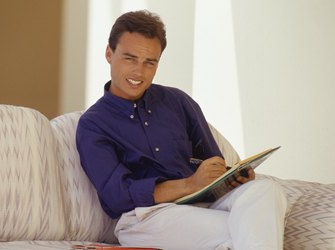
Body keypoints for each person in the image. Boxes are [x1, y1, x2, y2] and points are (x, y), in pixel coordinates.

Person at [76, 10, 287, 250]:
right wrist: (189, 184)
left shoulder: (178, 101)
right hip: (148, 218)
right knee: (246, 229)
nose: (139, 71)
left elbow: (212, 162)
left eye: (149, 62)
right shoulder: (93, 124)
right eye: (129, 58)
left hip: (203, 204)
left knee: (265, 190)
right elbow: (117, 197)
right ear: (108, 54)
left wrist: (231, 178)